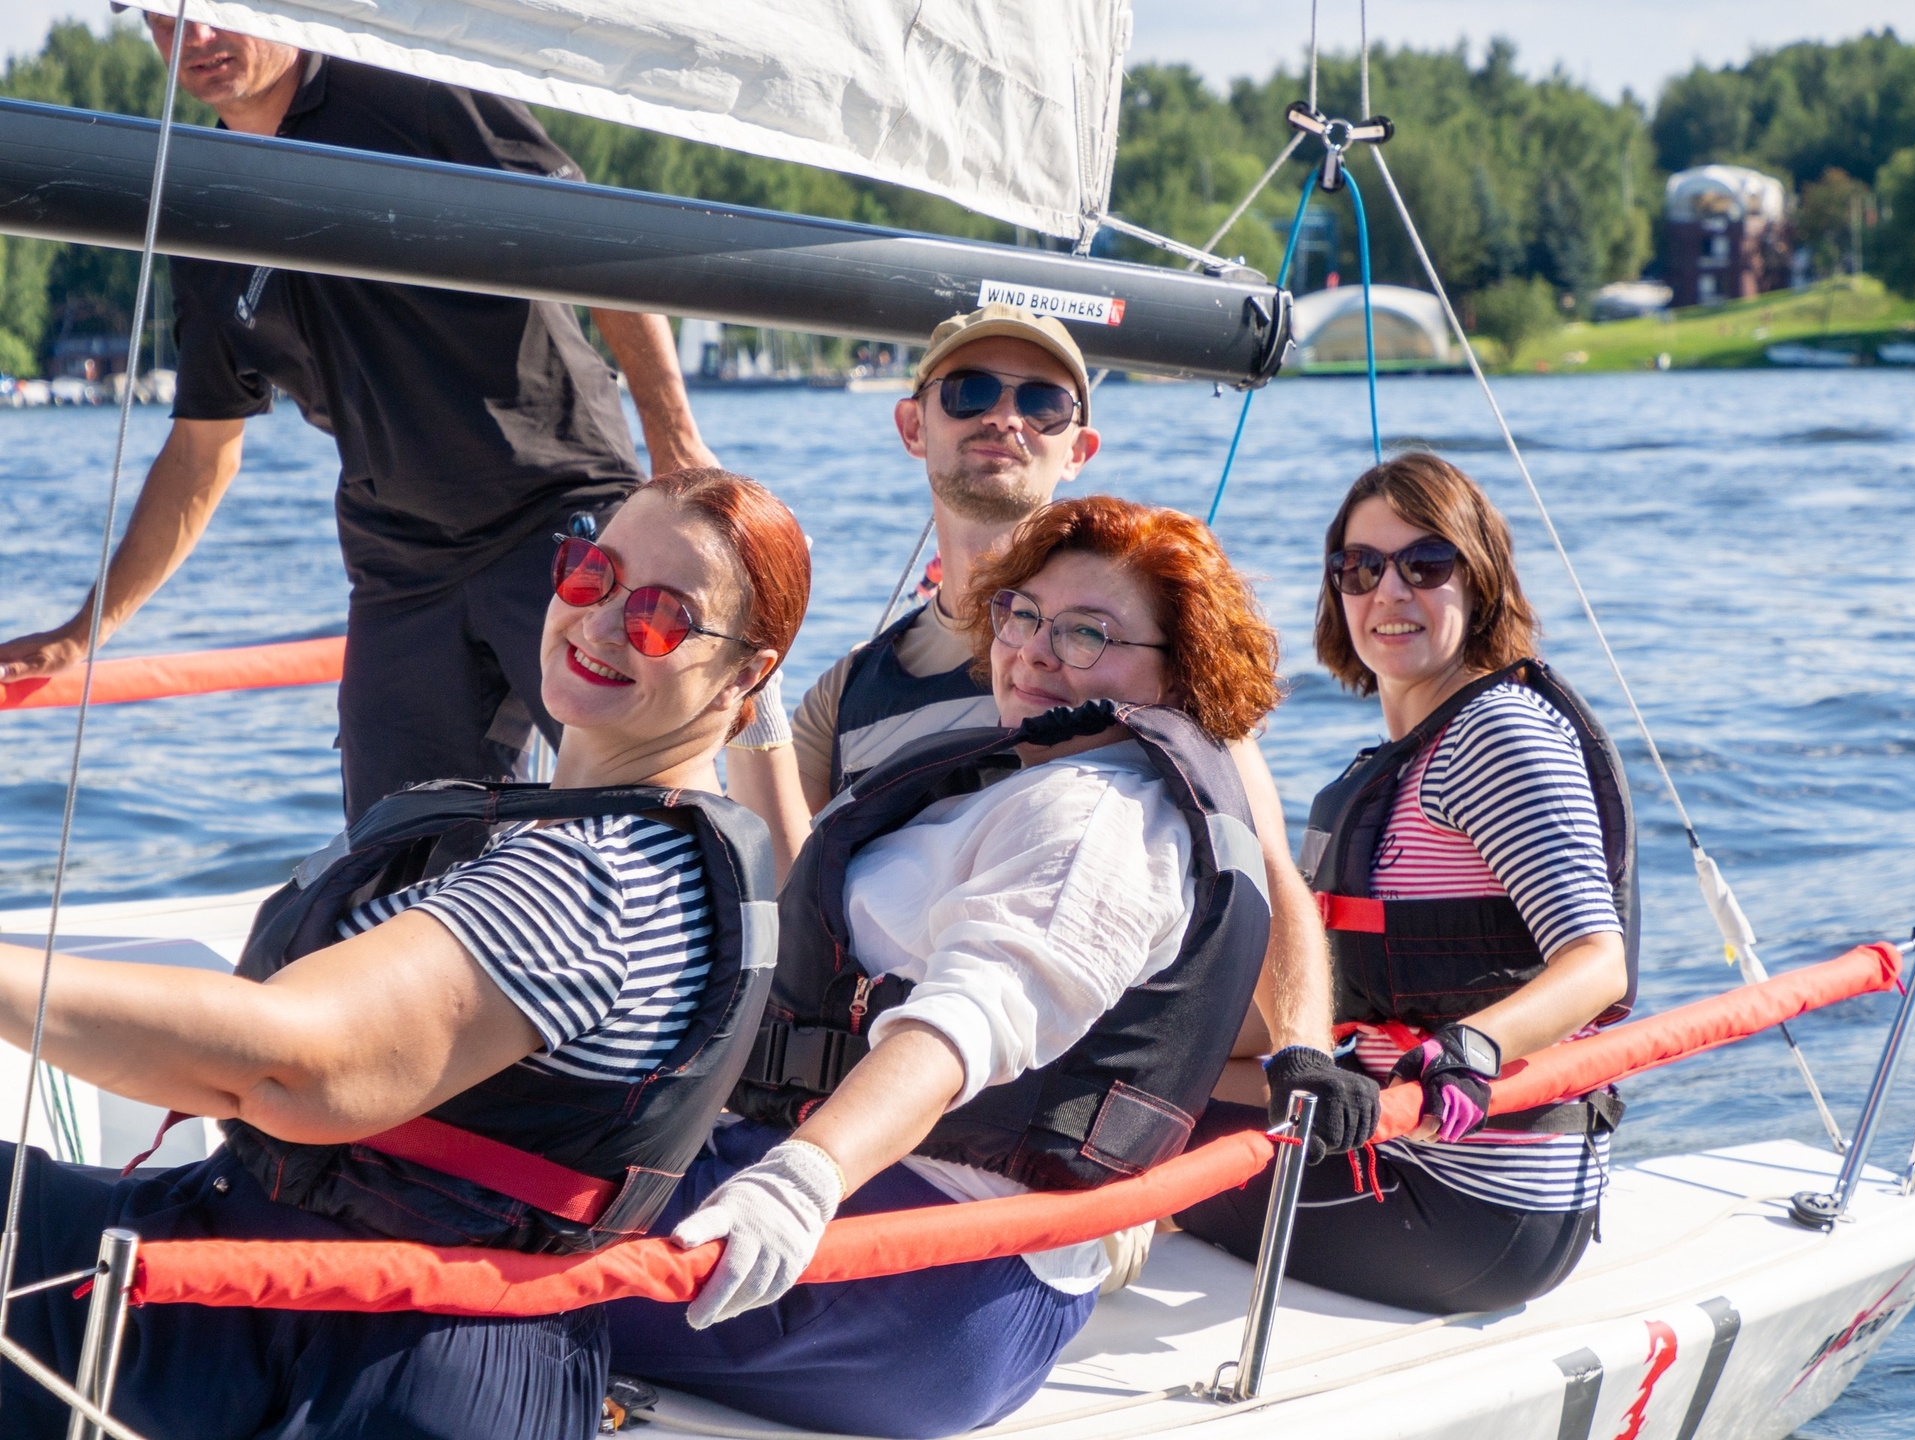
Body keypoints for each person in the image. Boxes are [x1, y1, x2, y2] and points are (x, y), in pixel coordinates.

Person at [0, 471, 808, 1439]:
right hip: (398, 1321)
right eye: (592, 574)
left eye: (663, 617)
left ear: (747, 676)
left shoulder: (601, 876)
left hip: (345, 1350)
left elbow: (290, 1064)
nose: (599, 623)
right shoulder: (589, 835)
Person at [609, 496, 1280, 1438]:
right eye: (1023, 615)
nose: (1036, 652)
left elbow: (970, 1019)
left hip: (913, 1276)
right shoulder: (1037, 786)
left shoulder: (1095, 818)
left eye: (1089, 633)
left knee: (461, 1223)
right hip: (944, 1282)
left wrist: (802, 1179)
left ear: (1182, 672)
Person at [0, 15, 717, 822]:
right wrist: (84, 629)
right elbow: (204, 451)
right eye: (165, 15)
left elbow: (595, 235)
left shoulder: (414, 91)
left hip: (555, 512)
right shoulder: (202, 201)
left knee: (643, 807)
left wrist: (675, 439)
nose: (194, 34)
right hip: (400, 564)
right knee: (393, 847)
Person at [725, 303, 1357, 1161]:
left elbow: (1266, 870)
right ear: (913, 425)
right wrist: (741, 676)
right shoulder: (849, 693)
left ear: (1079, 447)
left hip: (1049, 1112)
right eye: (970, 391)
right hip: (887, 1101)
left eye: (1042, 403)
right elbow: (793, 897)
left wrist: (1304, 1052)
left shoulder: (1146, 666)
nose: (1004, 417)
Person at [1178, 453, 1637, 1315]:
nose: (1388, 591)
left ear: (1481, 579)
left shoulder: (1496, 733)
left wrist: (1473, 1049)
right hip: (1422, 1160)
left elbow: (1597, 962)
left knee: (1121, 1132)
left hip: (1468, 1204)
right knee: (1135, 1083)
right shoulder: (1412, 756)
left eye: (1426, 564)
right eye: (1359, 567)